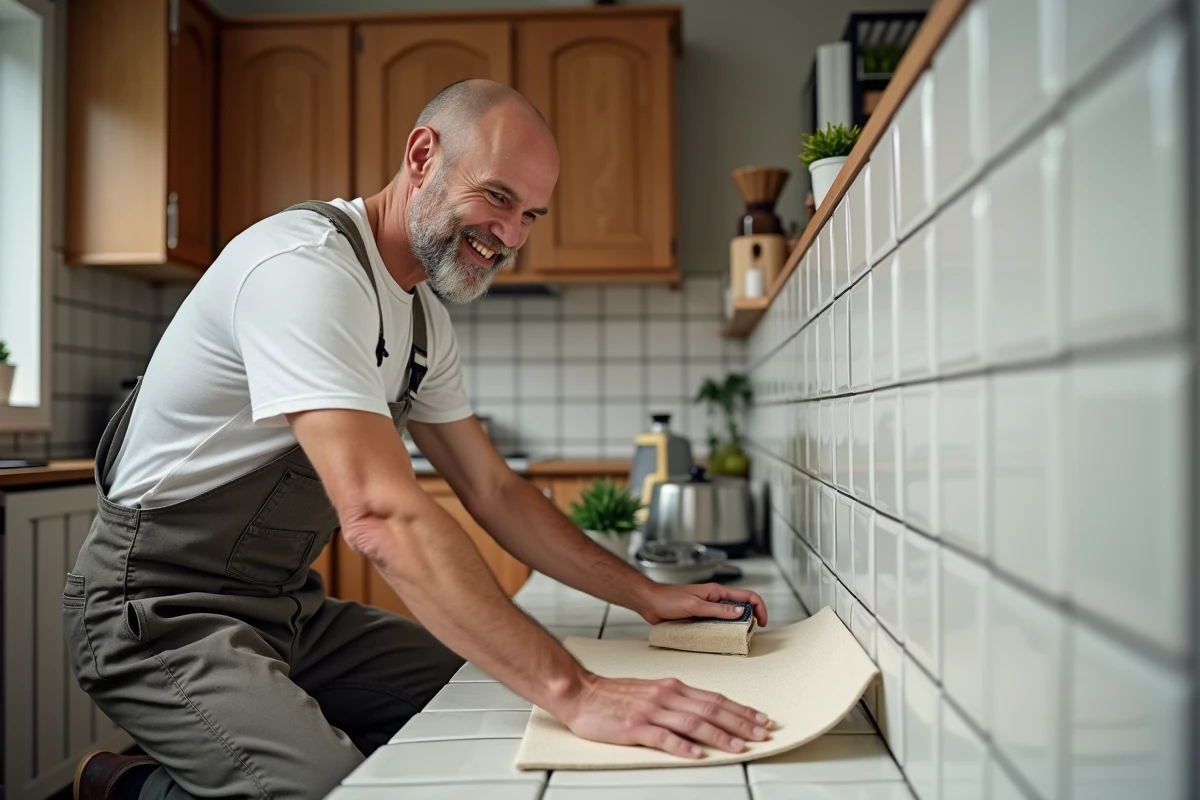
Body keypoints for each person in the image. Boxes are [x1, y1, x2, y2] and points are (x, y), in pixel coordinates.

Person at [66, 79, 772, 800]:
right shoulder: (303, 269)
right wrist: (578, 690)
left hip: (289, 611)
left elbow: (493, 490)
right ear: (422, 155)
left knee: (487, 705)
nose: (511, 237)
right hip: (156, 613)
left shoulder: (422, 324)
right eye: (497, 197)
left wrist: (643, 595)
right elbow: (378, 516)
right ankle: (136, 791)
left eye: (531, 214)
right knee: (333, 789)